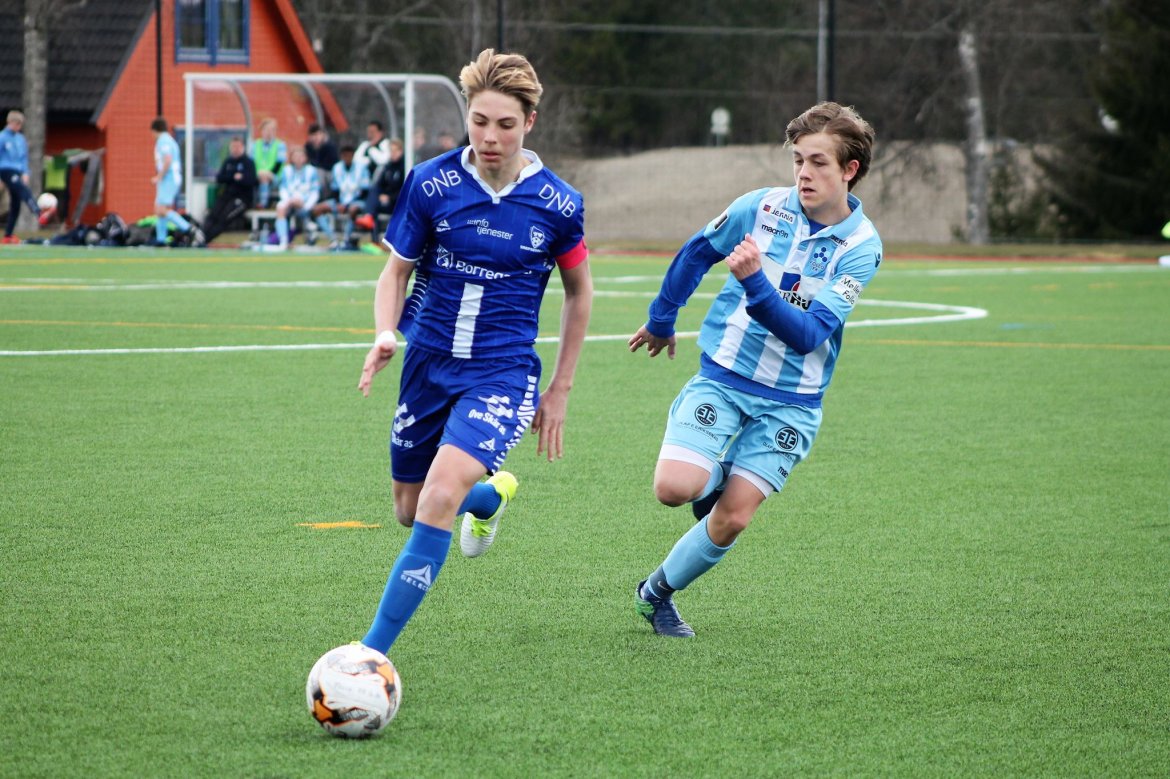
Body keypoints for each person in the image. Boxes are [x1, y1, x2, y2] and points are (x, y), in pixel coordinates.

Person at [354, 49, 593, 656]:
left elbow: (579, 292)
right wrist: (384, 332)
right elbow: (395, 272)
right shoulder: (429, 183)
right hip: (427, 364)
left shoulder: (559, 203)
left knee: (438, 498)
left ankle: (371, 656)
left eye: (505, 124)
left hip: (502, 372)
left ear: (529, 122)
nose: (490, 137)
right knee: (410, 509)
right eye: (479, 121)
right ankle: (488, 497)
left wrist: (560, 387)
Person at [627, 102, 882, 638]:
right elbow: (697, 252)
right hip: (725, 378)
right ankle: (717, 478)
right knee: (673, 488)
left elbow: (809, 334)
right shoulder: (760, 207)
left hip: (793, 401)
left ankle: (656, 594)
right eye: (799, 160)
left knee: (733, 518)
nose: (804, 173)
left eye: (819, 162)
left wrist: (755, 283)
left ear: (849, 169)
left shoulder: (862, 247)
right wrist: (661, 319)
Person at [149, 117, 203, 247]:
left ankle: (189, 229)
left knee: (161, 210)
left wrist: (159, 177)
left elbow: (167, 160)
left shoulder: (163, 140)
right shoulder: (169, 140)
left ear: (155, 130)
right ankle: (161, 240)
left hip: (169, 179)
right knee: (159, 209)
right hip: (169, 179)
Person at [1, 110, 51, 244]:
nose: (18, 127)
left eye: (20, 124)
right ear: (10, 122)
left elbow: (24, 158)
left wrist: (25, 173)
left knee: (16, 203)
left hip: (18, 172)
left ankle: (7, 235)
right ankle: (38, 212)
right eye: (16, 124)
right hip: (5, 170)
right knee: (24, 190)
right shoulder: (2, 137)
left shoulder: (20, 139)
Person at [311, 143, 369, 249]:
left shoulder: (361, 168)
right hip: (340, 201)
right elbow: (335, 189)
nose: (347, 158)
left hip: (356, 201)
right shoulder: (337, 168)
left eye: (349, 155)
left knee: (353, 209)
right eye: (345, 155)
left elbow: (365, 191)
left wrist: (347, 205)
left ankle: (346, 240)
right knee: (317, 209)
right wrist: (338, 203)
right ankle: (333, 239)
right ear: (342, 156)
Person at [201, 136, 257, 244]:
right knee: (213, 215)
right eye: (233, 147)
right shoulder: (228, 162)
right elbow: (220, 178)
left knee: (224, 218)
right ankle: (200, 236)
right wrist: (234, 177)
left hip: (242, 198)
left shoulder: (248, 163)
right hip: (227, 195)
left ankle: (206, 240)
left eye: (238, 147)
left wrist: (239, 179)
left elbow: (251, 181)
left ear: (243, 147)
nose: (235, 149)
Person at [271, 145, 320, 251]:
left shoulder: (311, 171)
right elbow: (283, 188)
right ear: (292, 158)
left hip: (305, 203)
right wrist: (288, 201)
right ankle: (283, 240)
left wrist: (306, 205)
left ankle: (310, 234)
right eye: (295, 156)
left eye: (300, 156)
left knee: (308, 210)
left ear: (305, 158)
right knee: (280, 207)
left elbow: (315, 192)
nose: (298, 159)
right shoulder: (287, 170)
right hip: (289, 202)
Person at [354, 137, 404, 235]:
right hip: (386, 201)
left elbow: (404, 190)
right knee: (374, 192)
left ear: (401, 151)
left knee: (373, 207)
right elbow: (380, 184)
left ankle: (368, 216)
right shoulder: (388, 167)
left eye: (395, 151)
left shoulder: (405, 167)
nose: (393, 153)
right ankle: (369, 221)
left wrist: (389, 197)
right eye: (391, 151)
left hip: (397, 203)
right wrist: (382, 195)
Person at [354, 121, 391, 221]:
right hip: (364, 185)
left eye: (373, 132)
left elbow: (383, 160)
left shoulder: (385, 144)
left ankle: (368, 216)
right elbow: (357, 161)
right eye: (369, 132)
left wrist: (372, 150)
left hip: (382, 185)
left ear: (380, 132)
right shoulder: (364, 145)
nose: (370, 135)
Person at [250, 118, 287, 207]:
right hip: (257, 174)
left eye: (272, 130)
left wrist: (268, 173)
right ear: (262, 130)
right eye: (267, 129)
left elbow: (279, 164)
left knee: (264, 179)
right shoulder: (255, 145)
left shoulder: (280, 145)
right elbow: (251, 163)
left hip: (275, 176)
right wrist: (259, 173)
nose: (269, 132)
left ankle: (262, 204)